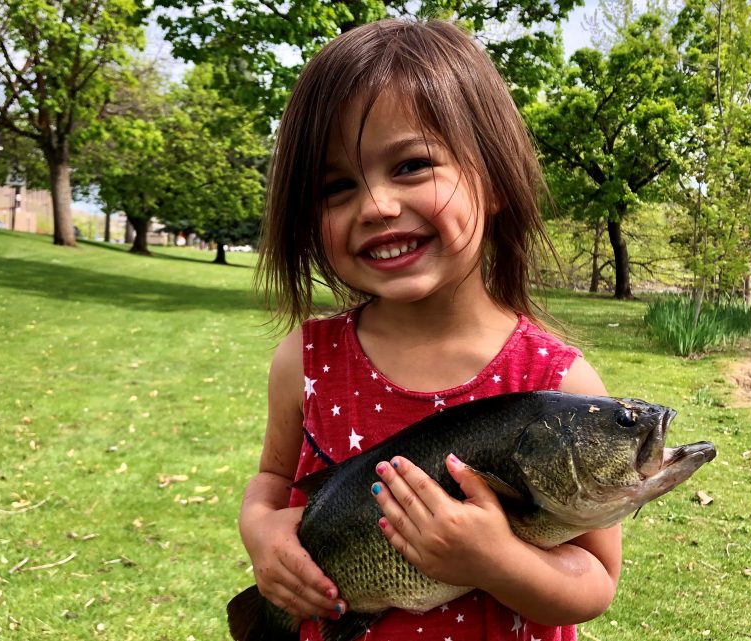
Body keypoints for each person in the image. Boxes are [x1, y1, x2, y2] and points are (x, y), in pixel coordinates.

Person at [240, 18, 620, 641]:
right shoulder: (304, 361)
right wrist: (259, 527)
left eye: (412, 165)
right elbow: (273, 481)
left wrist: (495, 559)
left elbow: (595, 582)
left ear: (494, 179)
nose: (376, 205)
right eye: (337, 186)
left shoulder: (560, 385)